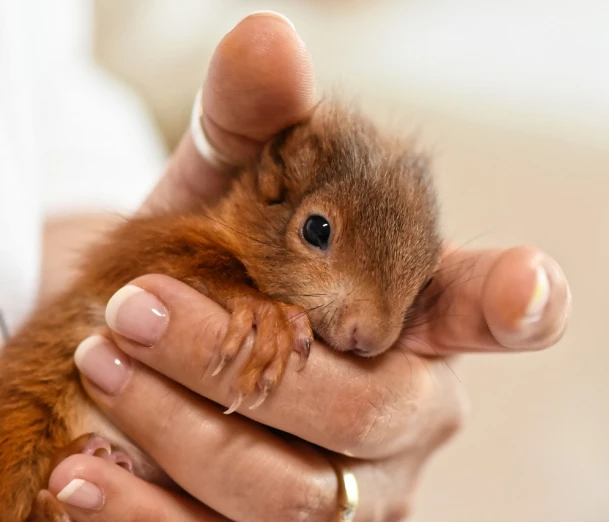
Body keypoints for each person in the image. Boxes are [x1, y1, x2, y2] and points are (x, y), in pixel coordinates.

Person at [1, 9, 572, 522]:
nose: (367, 331)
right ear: (275, 185)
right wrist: (243, 304)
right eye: (319, 233)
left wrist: (337, 457)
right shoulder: (201, 244)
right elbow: (119, 270)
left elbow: (45, 134)